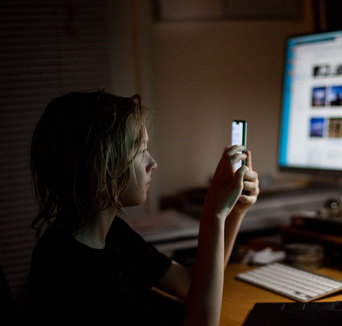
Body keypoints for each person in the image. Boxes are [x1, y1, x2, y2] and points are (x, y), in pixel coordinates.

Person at [25, 90, 259, 325]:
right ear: (99, 165)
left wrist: (234, 211)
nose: (153, 163)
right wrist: (213, 214)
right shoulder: (68, 268)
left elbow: (192, 282)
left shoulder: (112, 234)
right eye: (140, 150)